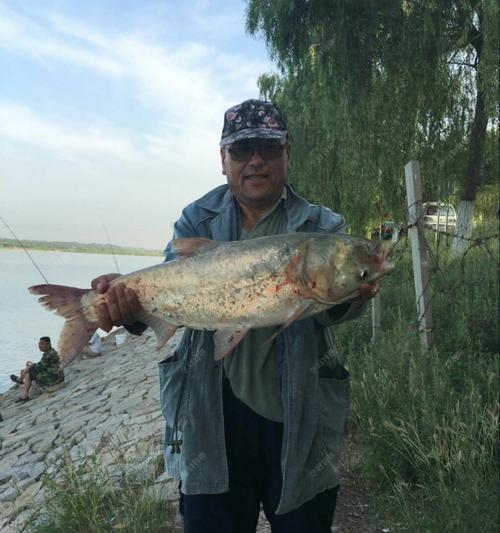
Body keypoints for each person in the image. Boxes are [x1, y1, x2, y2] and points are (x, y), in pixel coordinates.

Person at [91, 99, 378, 533]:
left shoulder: (322, 226)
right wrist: (127, 309)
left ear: (288, 154)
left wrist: (352, 293)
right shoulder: (196, 218)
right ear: (223, 161)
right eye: (242, 151)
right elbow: (169, 295)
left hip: (297, 412)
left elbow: (336, 309)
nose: (256, 160)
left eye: (268, 148)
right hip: (211, 417)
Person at [10, 336, 64, 402]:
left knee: (28, 372)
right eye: (39, 344)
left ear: (49, 344)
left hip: (52, 378)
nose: (40, 346)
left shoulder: (49, 354)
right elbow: (42, 365)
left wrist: (30, 366)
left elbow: (39, 367)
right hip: (55, 374)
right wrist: (32, 365)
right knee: (27, 369)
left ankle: (24, 393)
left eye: (42, 344)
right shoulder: (51, 352)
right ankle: (20, 380)